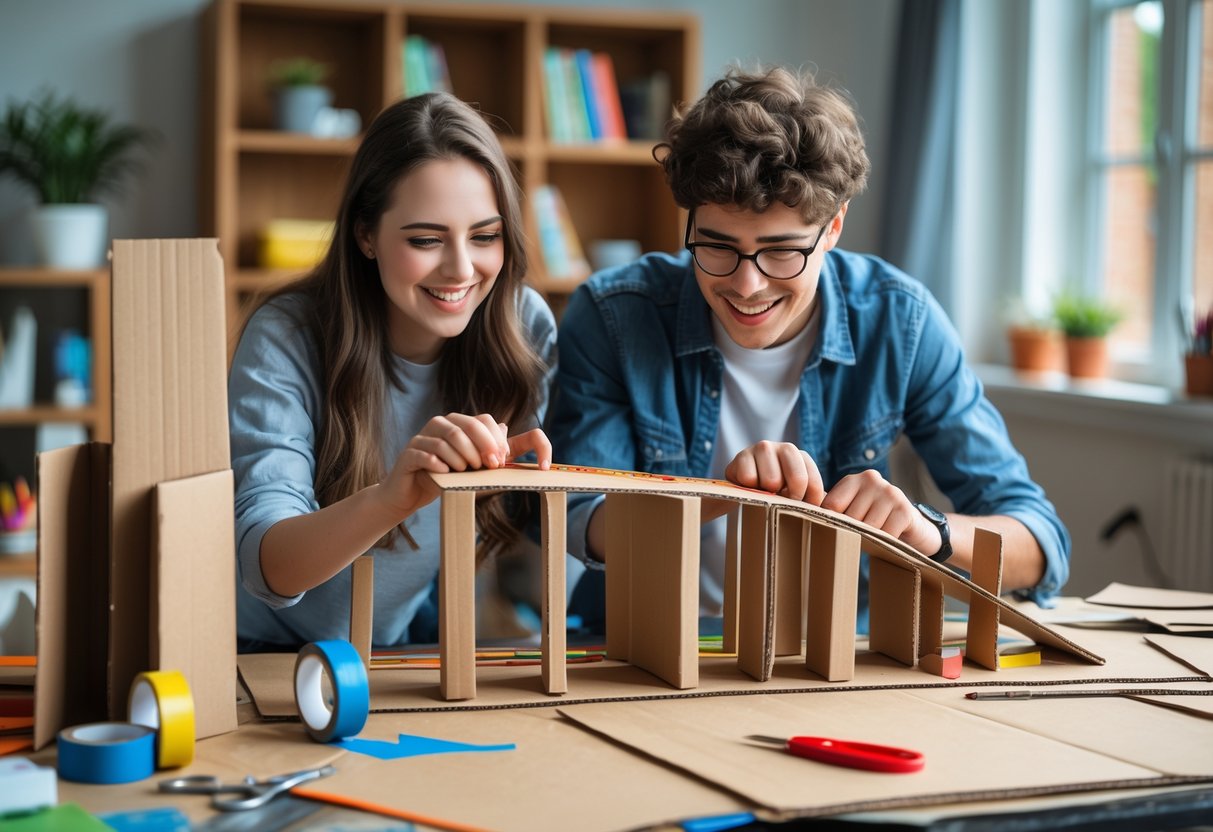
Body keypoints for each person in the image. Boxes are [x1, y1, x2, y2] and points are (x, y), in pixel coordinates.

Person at [547, 67, 1069, 633]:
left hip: (836, 655)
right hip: (642, 644)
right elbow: (572, 518)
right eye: (717, 248)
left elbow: (1040, 545)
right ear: (690, 222)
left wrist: (930, 531)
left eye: (781, 253)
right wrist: (718, 495)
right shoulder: (614, 314)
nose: (747, 287)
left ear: (834, 227)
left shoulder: (902, 321)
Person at [230, 92, 554, 651]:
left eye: (484, 236)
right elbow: (267, 565)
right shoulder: (286, 337)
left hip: (394, 649)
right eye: (426, 240)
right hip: (263, 653)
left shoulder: (523, 325)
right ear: (365, 236)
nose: (460, 269)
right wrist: (392, 498)